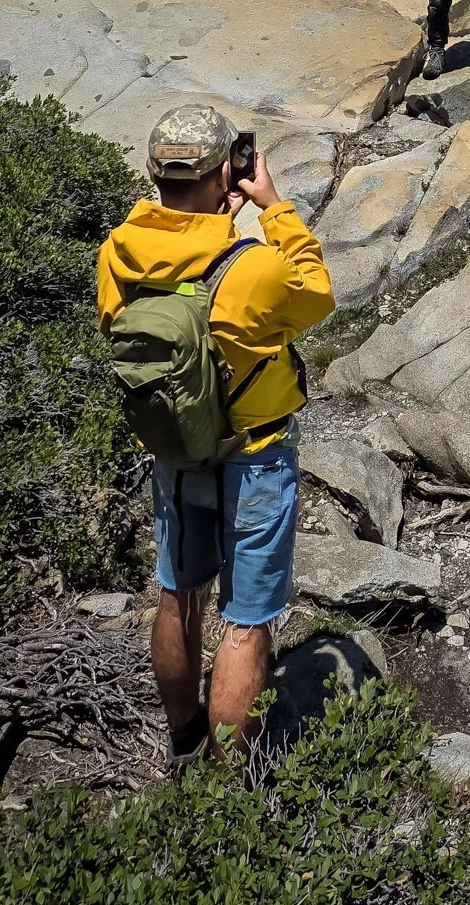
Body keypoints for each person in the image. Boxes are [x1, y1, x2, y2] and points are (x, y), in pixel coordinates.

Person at [96, 104, 333, 764]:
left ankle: (184, 743)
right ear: (229, 171)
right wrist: (274, 208)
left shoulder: (118, 252)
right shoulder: (252, 267)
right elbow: (316, 292)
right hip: (254, 458)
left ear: (154, 173)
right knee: (246, 623)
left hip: (175, 451)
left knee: (177, 595)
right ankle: (229, 791)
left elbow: (121, 326)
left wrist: (207, 226)